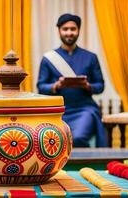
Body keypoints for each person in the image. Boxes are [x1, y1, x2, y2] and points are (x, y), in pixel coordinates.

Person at [37, 13, 106, 147]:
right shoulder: (48, 58)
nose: (69, 33)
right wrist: (57, 85)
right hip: (57, 110)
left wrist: (87, 85)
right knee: (55, 141)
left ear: (78, 30)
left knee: (78, 137)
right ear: (59, 31)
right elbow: (41, 86)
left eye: (73, 29)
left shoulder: (90, 57)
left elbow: (100, 85)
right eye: (65, 29)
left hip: (84, 109)